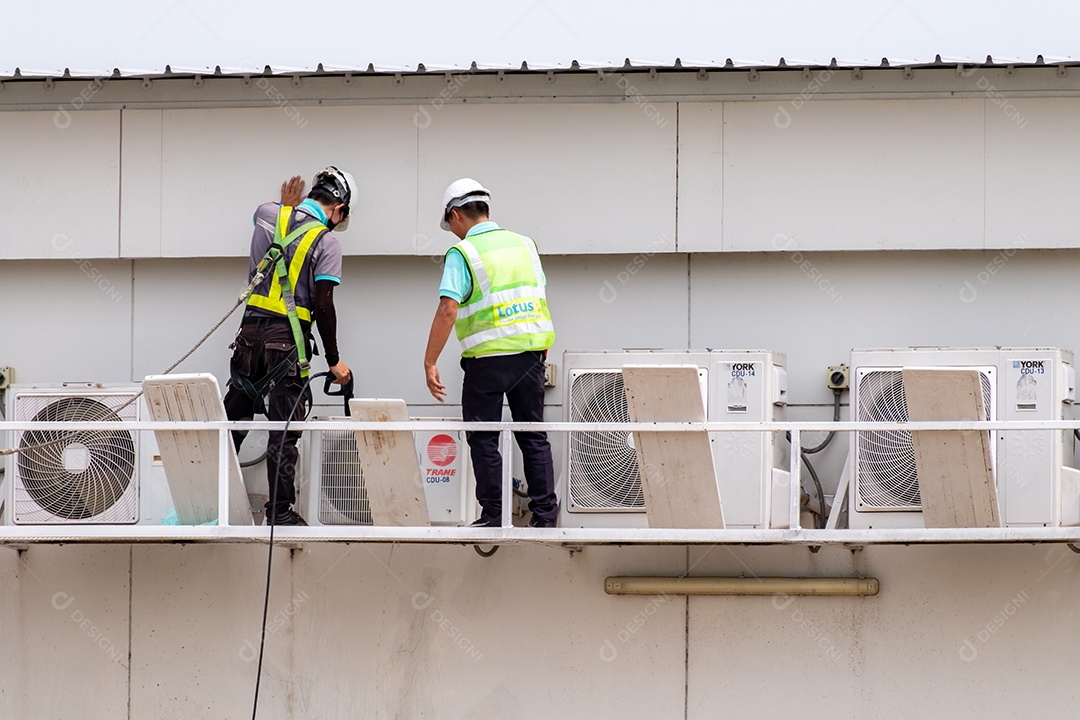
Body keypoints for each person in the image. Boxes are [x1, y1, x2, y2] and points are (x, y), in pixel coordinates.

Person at [224, 168, 355, 526]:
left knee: (232, 420)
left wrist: (286, 208)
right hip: (287, 343)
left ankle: (210, 500)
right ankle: (279, 514)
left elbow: (273, 219)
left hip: (249, 336)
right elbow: (324, 306)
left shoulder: (268, 213)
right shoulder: (327, 242)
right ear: (338, 207)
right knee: (283, 433)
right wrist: (334, 360)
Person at [423, 178, 558, 528]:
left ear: (455, 215)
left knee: (483, 437)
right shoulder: (525, 245)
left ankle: (495, 515)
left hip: (487, 361)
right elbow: (538, 296)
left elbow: (447, 310)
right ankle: (544, 515)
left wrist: (430, 361)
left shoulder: (463, 252)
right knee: (533, 435)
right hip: (531, 356)